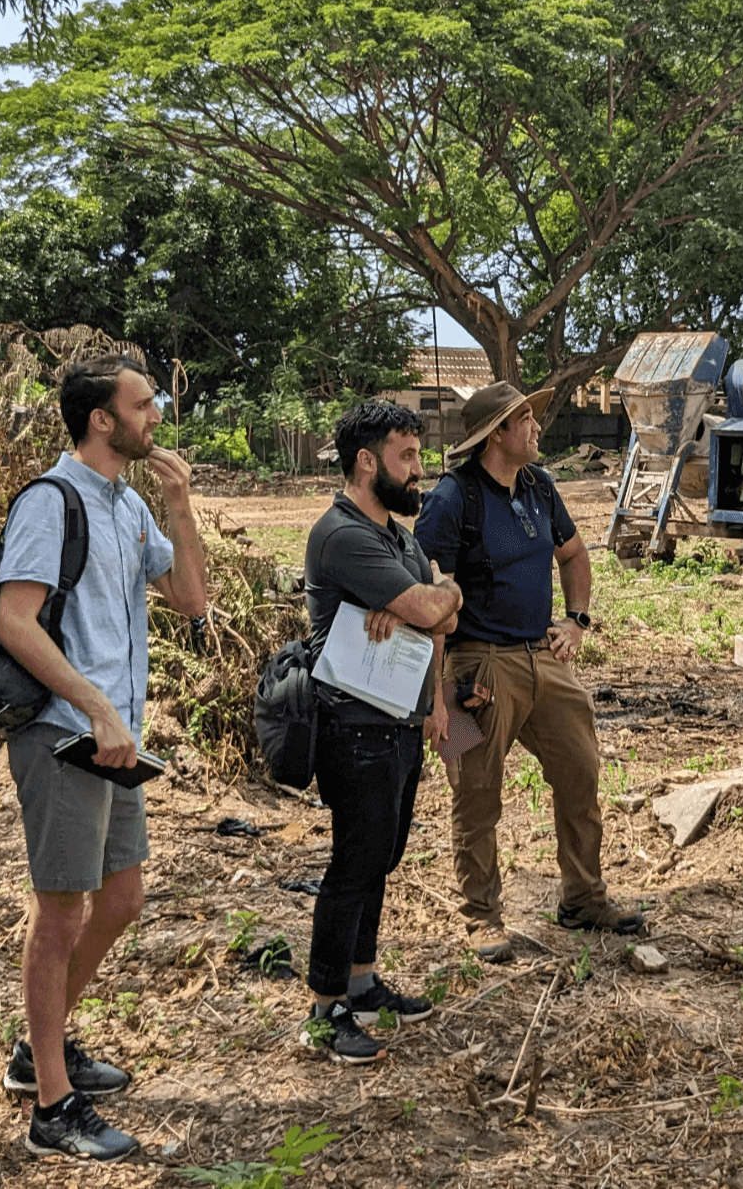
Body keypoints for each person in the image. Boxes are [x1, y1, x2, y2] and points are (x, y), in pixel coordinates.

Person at [0, 353, 207, 1161]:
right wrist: (93, 705)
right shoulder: (52, 503)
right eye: (144, 405)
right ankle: (52, 1105)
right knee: (62, 912)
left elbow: (190, 599)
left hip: (117, 736)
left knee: (121, 898)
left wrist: (180, 510)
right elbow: (17, 621)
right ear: (101, 420)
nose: (157, 416)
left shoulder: (126, 505)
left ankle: (36, 1050)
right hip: (64, 733)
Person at [415, 381, 642, 964]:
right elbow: (421, 589)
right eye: (527, 420)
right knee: (475, 792)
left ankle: (584, 898)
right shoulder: (452, 499)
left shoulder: (540, 487)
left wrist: (578, 621)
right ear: (498, 435)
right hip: (473, 667)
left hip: (543, 657)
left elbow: (574, 553)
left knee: (581, 771)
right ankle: (481, 917)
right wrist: (435, 693)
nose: (538, 428)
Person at [299, 401, 465, 1066]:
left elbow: (438, 612)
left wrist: (436, 603)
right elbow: (432, 606)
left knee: (382, 858)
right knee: (353, 864)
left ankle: (363, 983)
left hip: (397, 720)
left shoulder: (397, 536)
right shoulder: (345, 536)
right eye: (407, 456)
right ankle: (324, 1008)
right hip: (354, 728)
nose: (418, 470)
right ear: (367, 462)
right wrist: (436, 601)